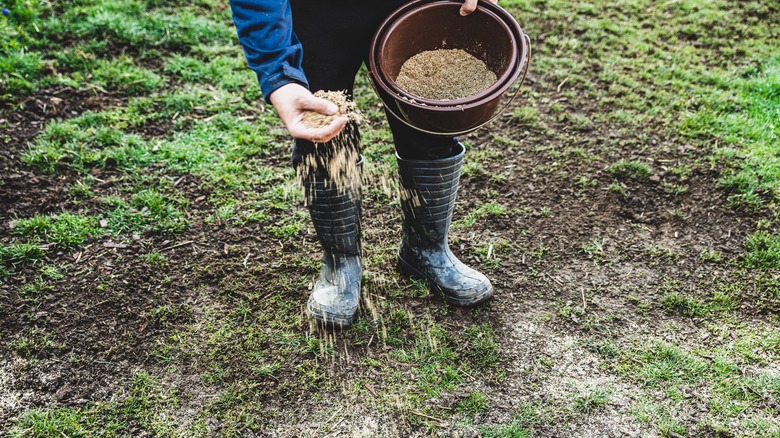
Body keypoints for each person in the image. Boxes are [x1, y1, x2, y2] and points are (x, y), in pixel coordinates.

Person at [229, 0, 497, 327]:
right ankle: (341, 264)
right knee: (323, 127)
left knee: (433, 119)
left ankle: (426, 251)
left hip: (417, 4)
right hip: (316, 13)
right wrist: (277, 72)